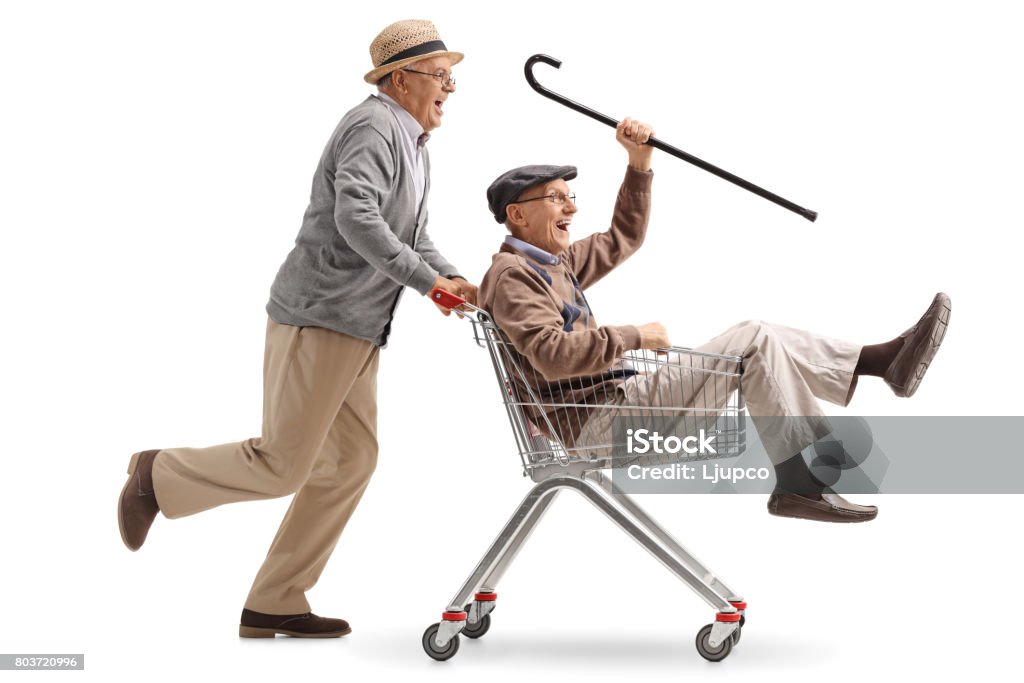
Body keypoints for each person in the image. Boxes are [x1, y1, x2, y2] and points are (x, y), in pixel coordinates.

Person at [117, 20, 478, 638]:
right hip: (320, 317)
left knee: (352, 461)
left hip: (360, 326)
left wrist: (452, 280)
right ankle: (159, 474)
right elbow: (357, 217)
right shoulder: (373, 125)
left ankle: (275, 600)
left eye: (453, 75)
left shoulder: (413, 142)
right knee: (283, 464)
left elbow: (413, 238)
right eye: (440, 74)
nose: (451, 86)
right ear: (401, 78)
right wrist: (427, 284)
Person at [478, 117, 951, 523]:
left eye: (570, 195)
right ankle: (857, 393)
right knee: (752, 338)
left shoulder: (551, 262)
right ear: (517, 215)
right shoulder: (514, 276)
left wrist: (638, 162)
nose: (573, 207)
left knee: (758, 343)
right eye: (557, 199)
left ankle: (819, 449)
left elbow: (623, 236)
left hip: (618, 405)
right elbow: (550, 356)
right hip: (601, 423)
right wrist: (632, 336)